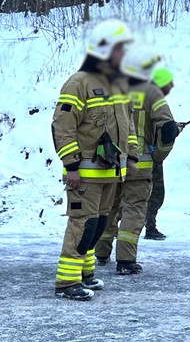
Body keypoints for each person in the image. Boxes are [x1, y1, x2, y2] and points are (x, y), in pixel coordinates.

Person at [50, 19, 137, 300]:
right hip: (85, 174)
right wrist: (71, 165)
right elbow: (62, 125)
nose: (124, 55)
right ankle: (67, 283)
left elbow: (128, 124)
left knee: (97, 226)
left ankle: (85, 274)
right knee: (82, 225)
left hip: (110, 173)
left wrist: (131, 155)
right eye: (120, 49)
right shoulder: (79, 83)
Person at [93, 45, 178, 274]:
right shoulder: (151, 93)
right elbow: (168, 128)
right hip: (140, 165)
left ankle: (101, 253)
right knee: (133, 210)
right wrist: (158, 155)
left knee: (109, 208)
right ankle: (126, 260)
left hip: (112, 161)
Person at [144, 64, 177, 240]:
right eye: (169, 82)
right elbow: (167, 127)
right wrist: (159, 155)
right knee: (155, 194)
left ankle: (115, 227)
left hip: (129, 154)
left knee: (127, 195)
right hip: (149, 155)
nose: (172, 86)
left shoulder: (135, 96)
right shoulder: (155, 99)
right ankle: (150, 227)